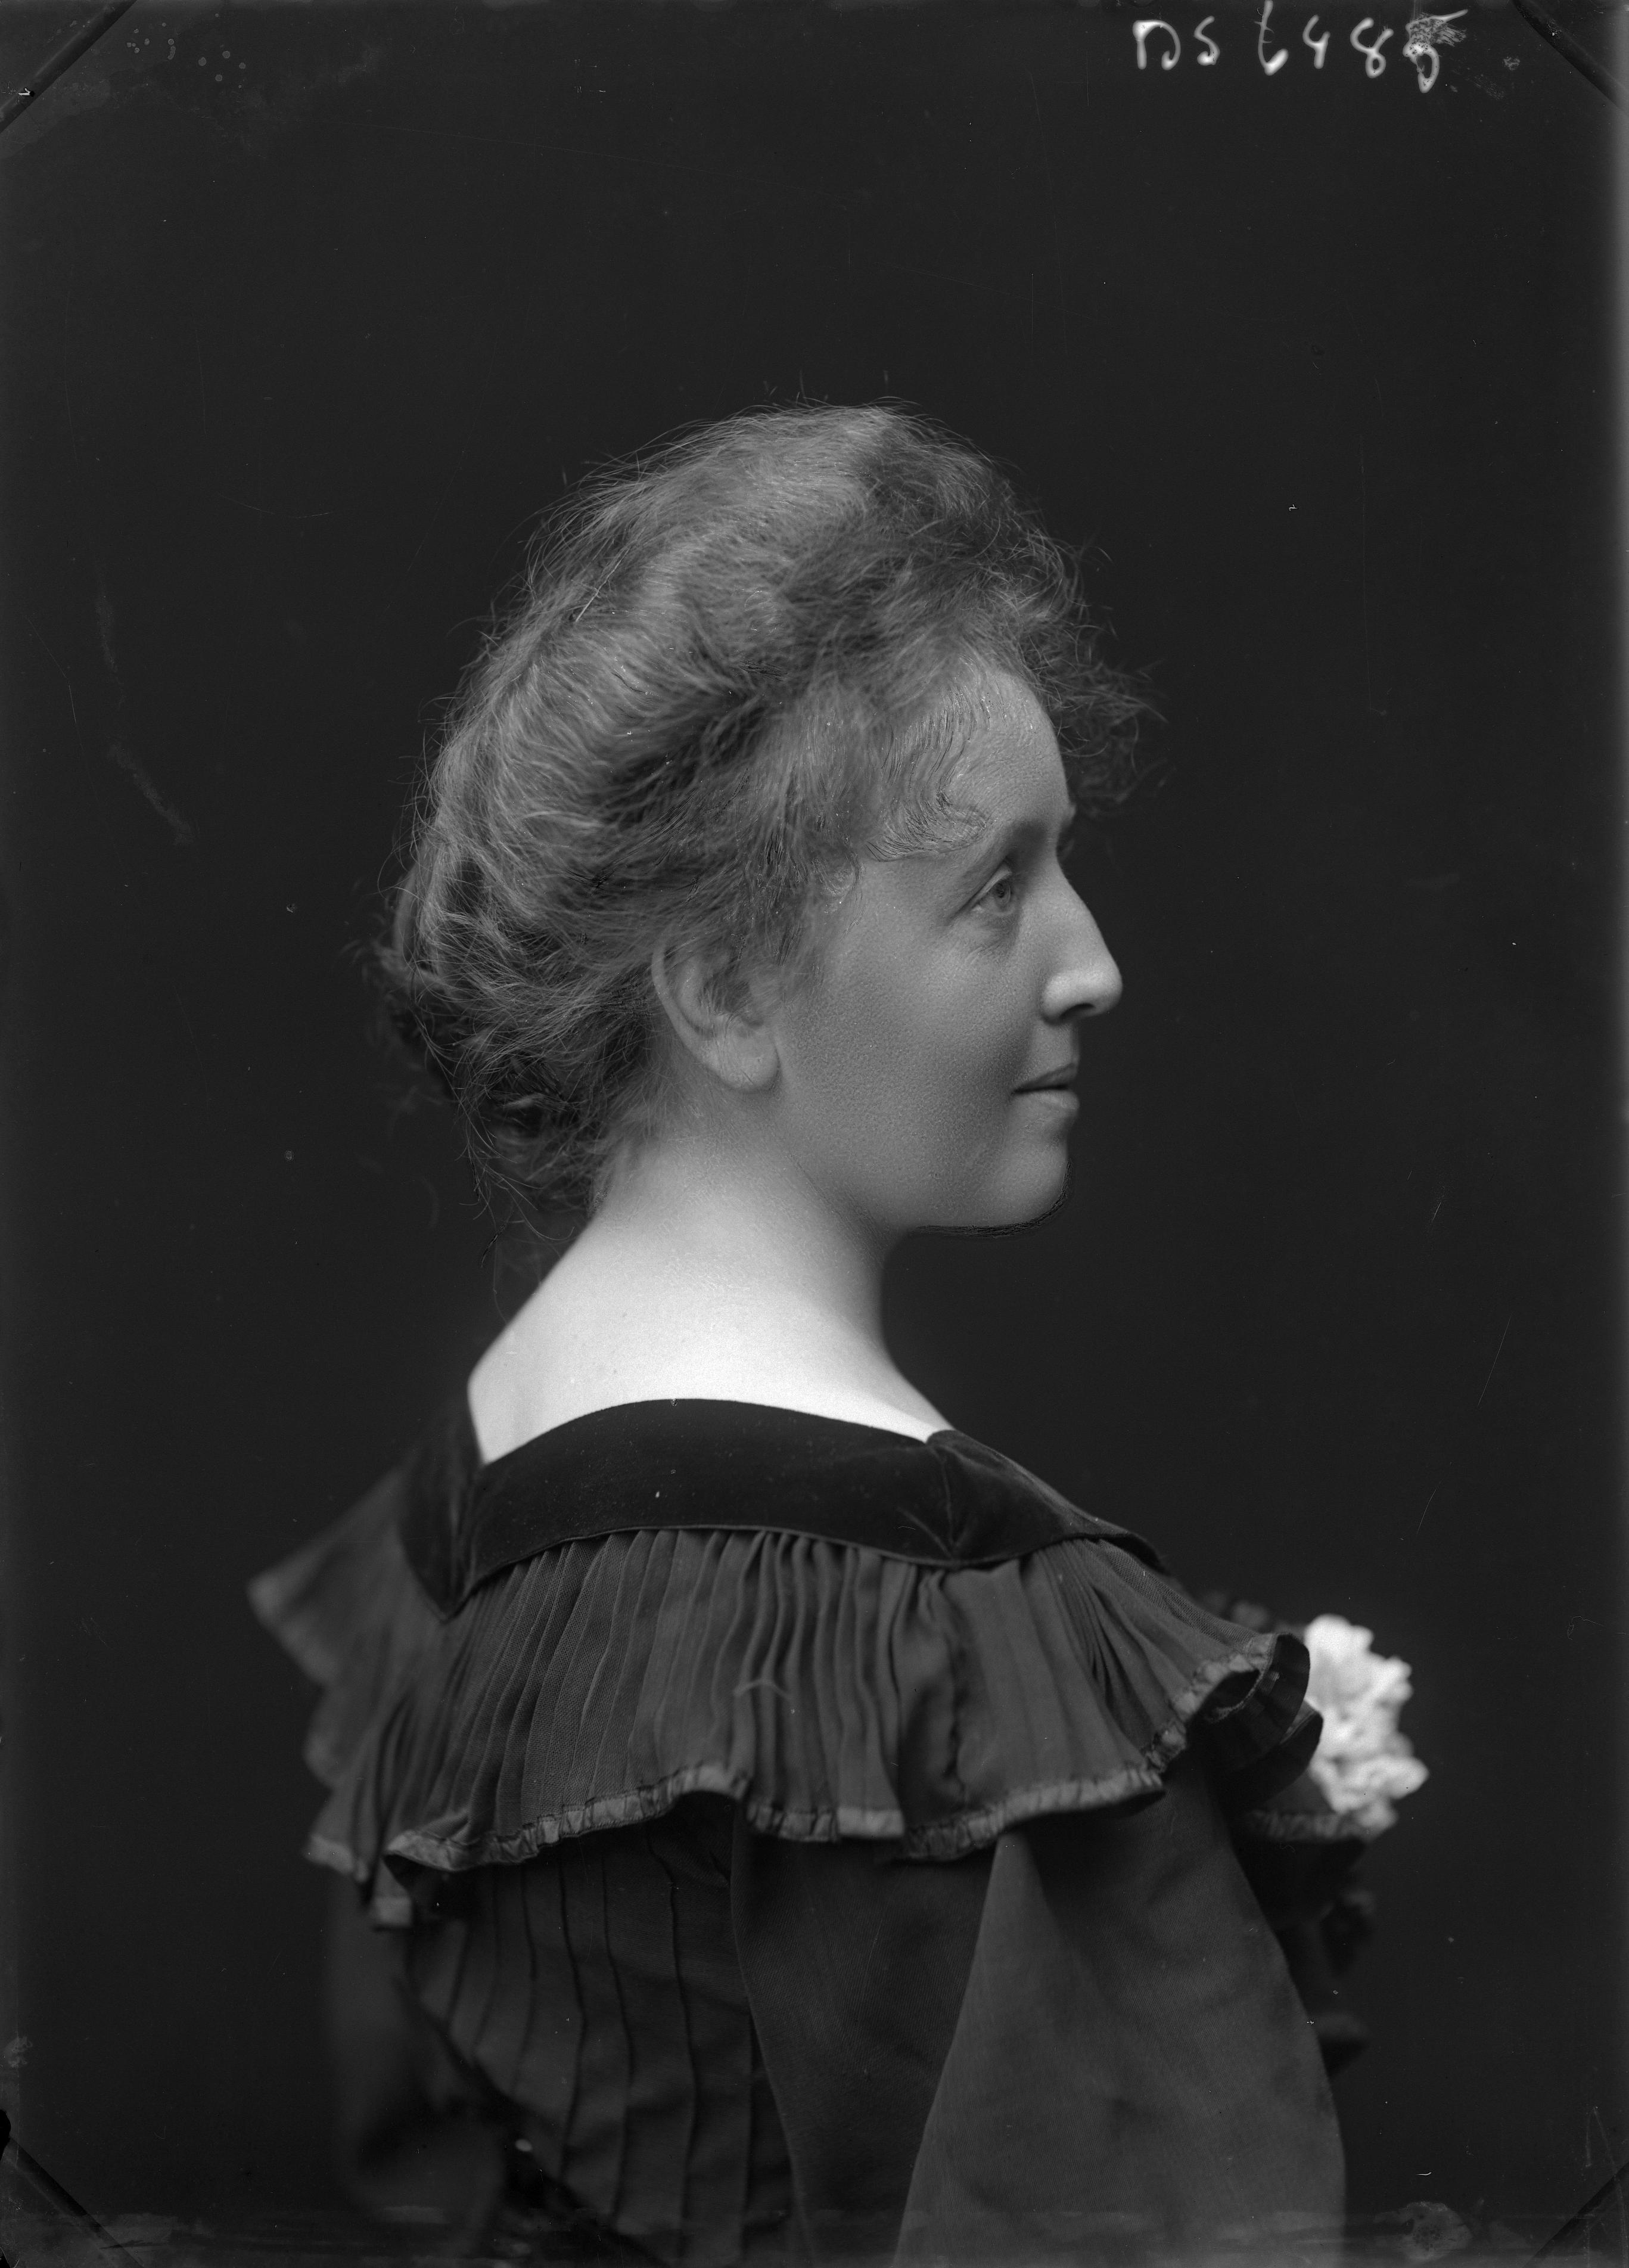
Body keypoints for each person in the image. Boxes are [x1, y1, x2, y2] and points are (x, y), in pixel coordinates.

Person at [251, 404, 1369, 2265]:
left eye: (1064, 862)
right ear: (722, 983)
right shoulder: (949, 1625)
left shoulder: (471, 1482)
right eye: (996, 887)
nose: (1093, 962)